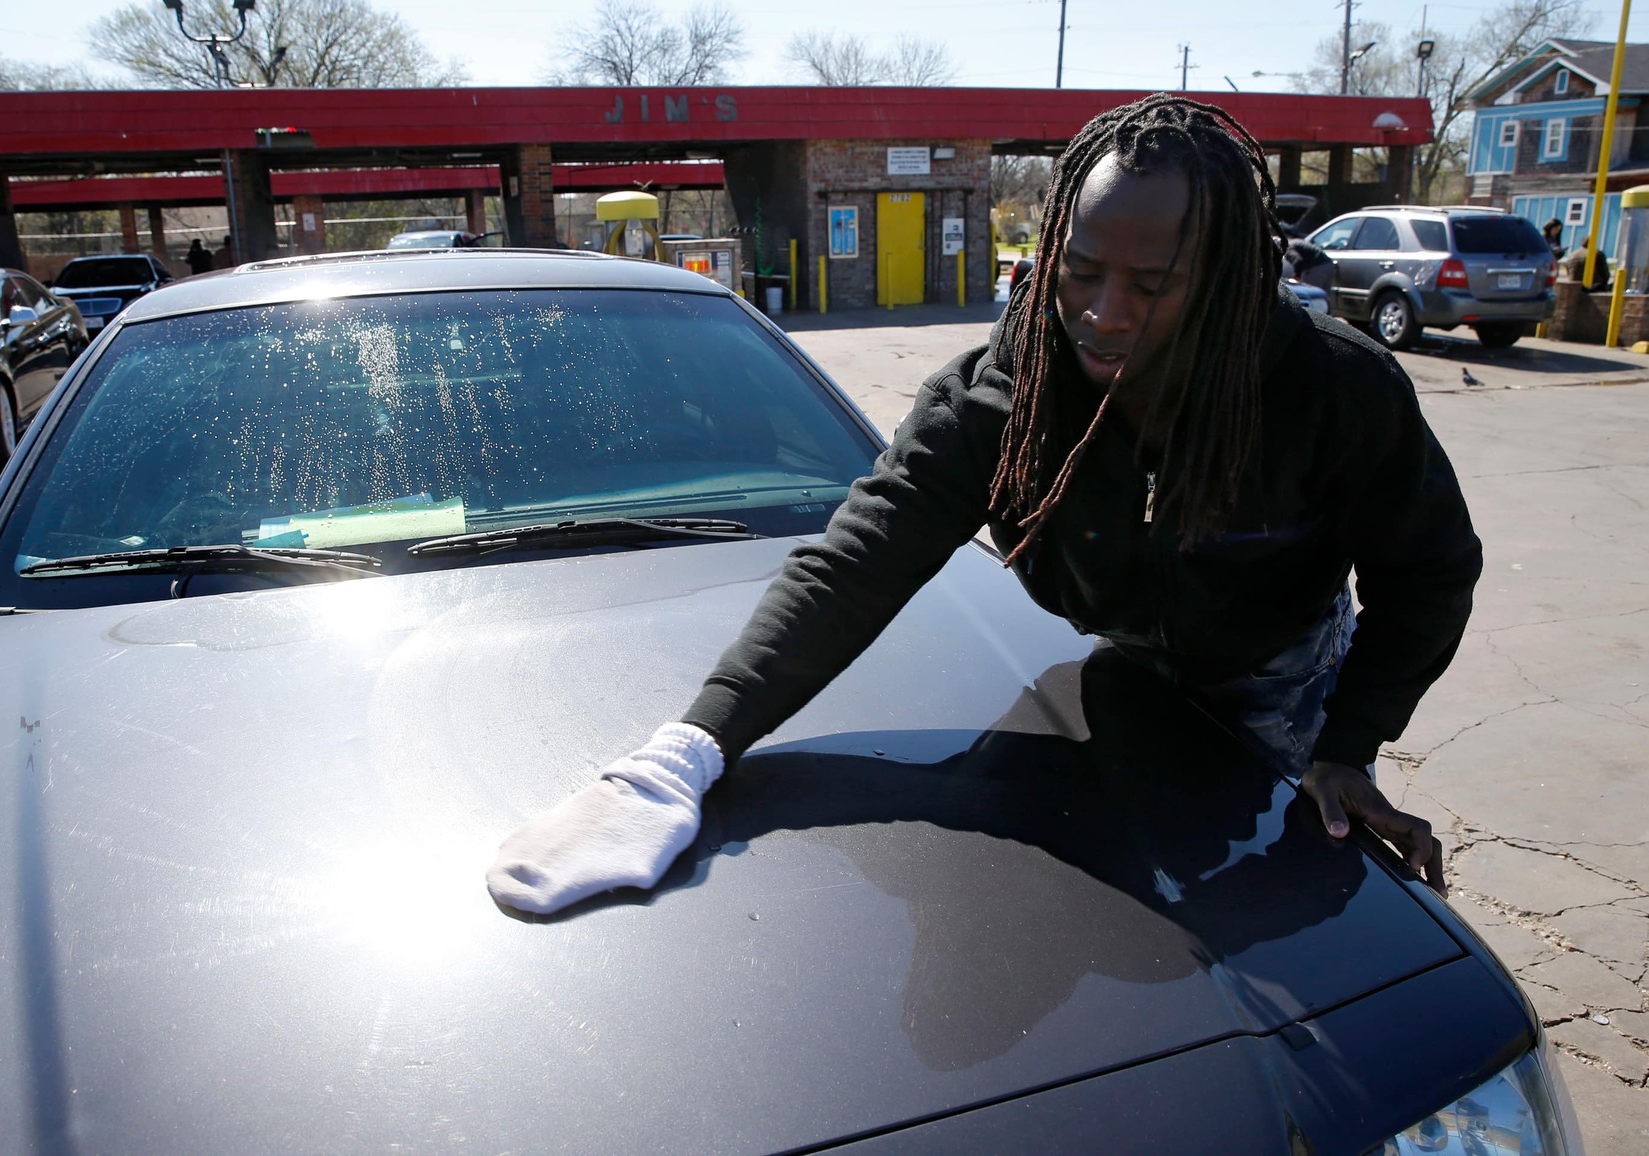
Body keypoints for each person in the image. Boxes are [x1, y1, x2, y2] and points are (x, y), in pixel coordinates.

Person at [487, 94, 1479, 916]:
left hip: (1277, 671)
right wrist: (691, 749)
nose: (1103, 312)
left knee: (1246, 914)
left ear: (1222, 277)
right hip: (1116, 659)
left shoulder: (1336, 391)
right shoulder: (1010, 392)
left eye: (1152, 283)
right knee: (1073, 884)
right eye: (1081, 271)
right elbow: (863, 554)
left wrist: (1350, 743)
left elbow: (1429, 573)